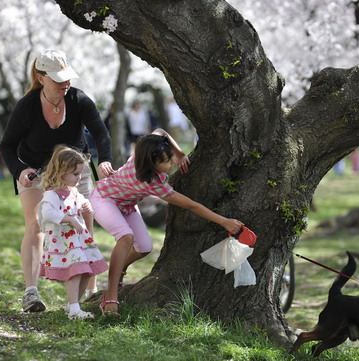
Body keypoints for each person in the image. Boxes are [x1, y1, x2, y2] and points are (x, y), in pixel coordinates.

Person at [0, 50, 113, 312]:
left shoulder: (79, 99)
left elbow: (100, 133)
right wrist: (19, 171)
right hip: (36, 170)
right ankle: (31, 293)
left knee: (85, 222)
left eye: (67, 77)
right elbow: (6, 145)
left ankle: (90, 292)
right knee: (36, 225)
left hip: (75, 168)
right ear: (41, 78)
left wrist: (105, 159)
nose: (66, 83)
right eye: (59, 79)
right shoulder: (26, 107)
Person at [90, 128, 244, 315]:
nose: (172, 163)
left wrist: (179, 154)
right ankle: (111, 295)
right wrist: (224, 221)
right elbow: (191, 205)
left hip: (127, 205)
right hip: (103, 199)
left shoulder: (140, 155)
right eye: (166, 161)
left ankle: (120, 267)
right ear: (151, 163)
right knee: (126, 237)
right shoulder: (152, 184)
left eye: (170, 157)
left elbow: (160, 131)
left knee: (144, 247)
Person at [38, 145, 109, 319]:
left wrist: (86, 206)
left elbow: (80, 203)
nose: (79, 178)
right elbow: (47, 213)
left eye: (80, 174)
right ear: (61, 172)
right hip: (64, 242)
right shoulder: (52, 195)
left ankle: (72, 305)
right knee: (76, 271)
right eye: (75, 174)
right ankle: (75, 310)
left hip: (78, 241)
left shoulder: (74, 192)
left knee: (86, 271)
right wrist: (69, 219)